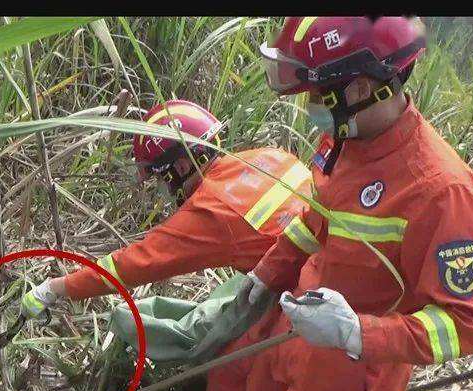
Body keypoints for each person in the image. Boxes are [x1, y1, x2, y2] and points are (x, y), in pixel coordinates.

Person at [197, 16, 473, 391]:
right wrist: (267, 274)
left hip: (350, 379)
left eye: (318, 94)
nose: (311, 107)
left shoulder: (441, 191)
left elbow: (469, 323)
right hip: (293, 331)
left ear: (358, 88)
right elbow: (317, 221)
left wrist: (358, 332)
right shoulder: (344, 138)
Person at [20, 99, 315, 336]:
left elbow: (130, 266)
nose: (165, 189)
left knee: (229, 386)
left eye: (163, 178)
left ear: (183, 164)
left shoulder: (210, 209)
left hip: (309, 300)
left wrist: (54, 289)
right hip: (333, 270)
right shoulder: (269, 155)